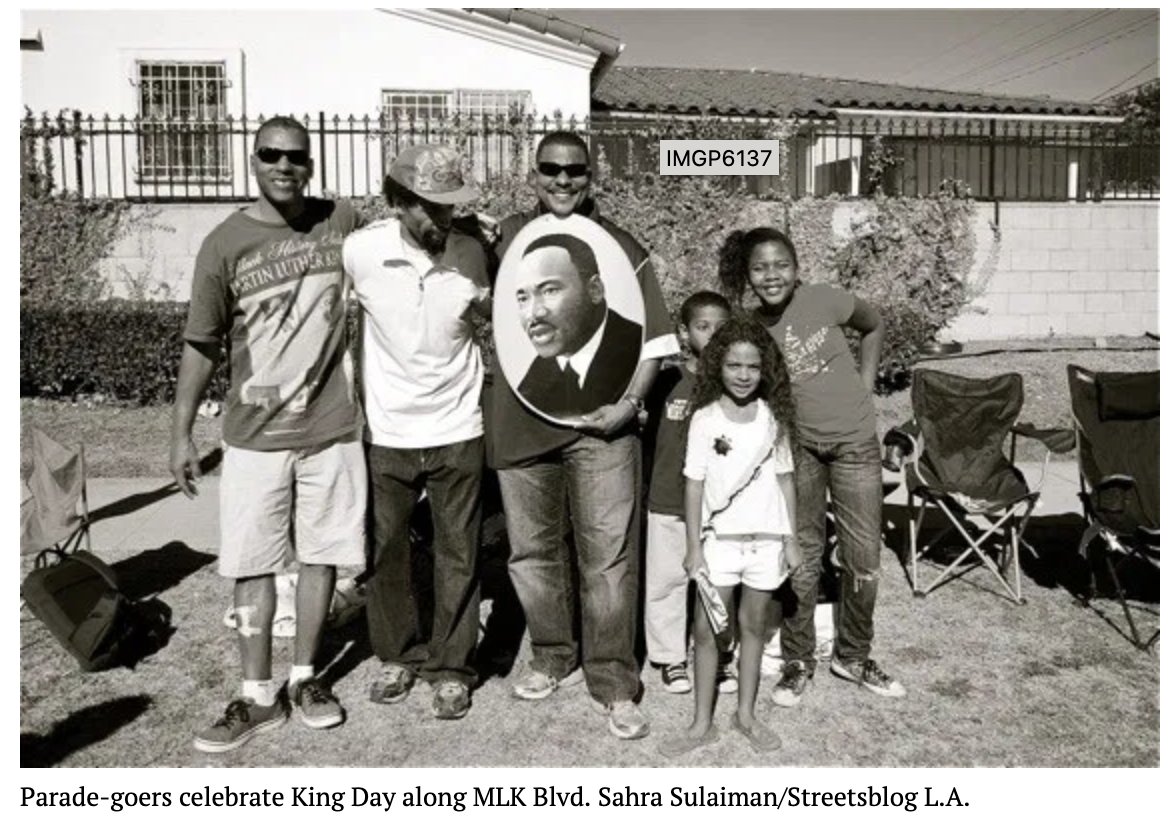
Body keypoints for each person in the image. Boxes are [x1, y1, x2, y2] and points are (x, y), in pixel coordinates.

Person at [171, 116, 365, 753]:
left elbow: (411, 239)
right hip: (254, 436)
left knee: (321, 556)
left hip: (331, 429)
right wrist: (179, 435)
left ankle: (307, 678)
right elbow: (201, 343)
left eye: (297, 157)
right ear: (252, 161)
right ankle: (257, 696)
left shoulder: (343, 223)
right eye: (271, 155)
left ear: (312, 163)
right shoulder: (224, 243)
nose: (285, 166)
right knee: (252, 563)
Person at [487, 130, 676, 740]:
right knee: (532, 554)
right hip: (522, 422)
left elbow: (656, 340)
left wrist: (629, 405)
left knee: (608, 559)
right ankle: (551, 655)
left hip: (603, 427)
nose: (563, 180)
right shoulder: (509, 236)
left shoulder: (618, 247)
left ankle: (615, 681)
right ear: (534, 172)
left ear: (592, 176)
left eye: (575, 171)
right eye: (551, 169)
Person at [718, 227, 906, 706]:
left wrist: (865, 384)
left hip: (856, 445)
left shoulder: (824, 300)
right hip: (799, 449)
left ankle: (853, 655)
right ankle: (798, 660)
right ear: (749, 275)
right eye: (760, 268)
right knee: (801, 557)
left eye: (781, 264)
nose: (771, 275)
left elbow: (874, 323)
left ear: (797, 269)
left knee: (863, 557)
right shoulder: (751, 326)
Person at [343, 144, 489, 721]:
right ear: (398, 203)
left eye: (453, 207)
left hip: (459, 424)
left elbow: (491, 319)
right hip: (387, 429)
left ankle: (452, 667)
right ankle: (399, 656)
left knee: (459, 551)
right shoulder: (360, 252)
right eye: (432, 207)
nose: (445, 219)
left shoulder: (474, 253)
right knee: (386, 553)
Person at [658, 315, 800, 758]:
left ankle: (745, 716)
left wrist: (791, 539)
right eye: (734, 365)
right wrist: (694, 548)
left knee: (753, 627)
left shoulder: (774, 418)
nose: (743, 375)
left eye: (753, 367)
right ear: (718, 364)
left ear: (765, 370)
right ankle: (701, 723)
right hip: (718, 542)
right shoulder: (703, 419)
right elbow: (693, 483)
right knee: (706, 631)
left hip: (766, 542)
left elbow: (786, 479)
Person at [643, 290, 740, 695]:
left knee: (717, 583)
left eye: (721, 328)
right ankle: (669, 658)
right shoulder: (663, 380)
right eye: (703, 327)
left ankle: (718, 655)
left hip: (720, 505)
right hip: (667, 499)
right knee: (666, 581)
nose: (713, 336)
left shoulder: (737, 382)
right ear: (684, 332)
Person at [515, 233, 642, 420]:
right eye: (523, 298)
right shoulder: (533, 382)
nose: (534, 313)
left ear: (595, 290)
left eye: (550, 290)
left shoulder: (637, 350)